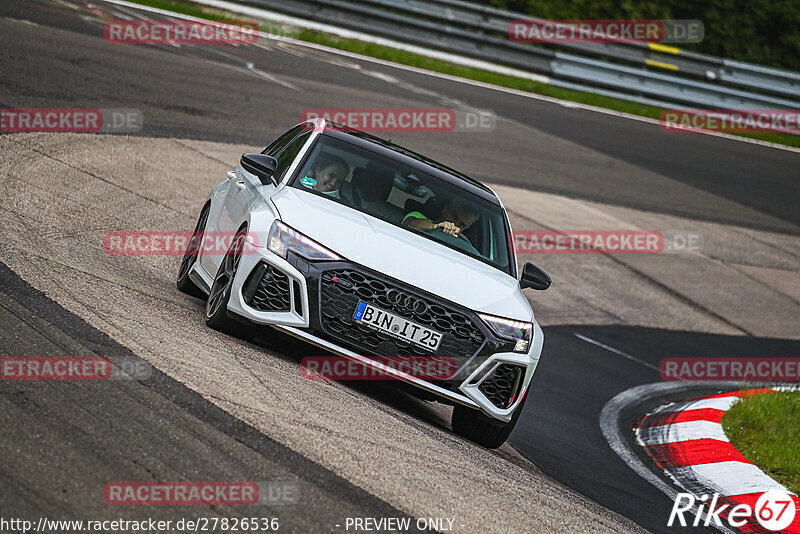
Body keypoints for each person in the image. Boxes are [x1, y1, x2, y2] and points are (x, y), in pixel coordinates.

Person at [402, 197, 478, 238]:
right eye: (454, 216)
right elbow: (409, 223)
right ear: (446, 209)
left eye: (462, 224)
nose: (454, 224)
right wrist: (436, 226)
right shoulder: (418, 216)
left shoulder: (463, 245)